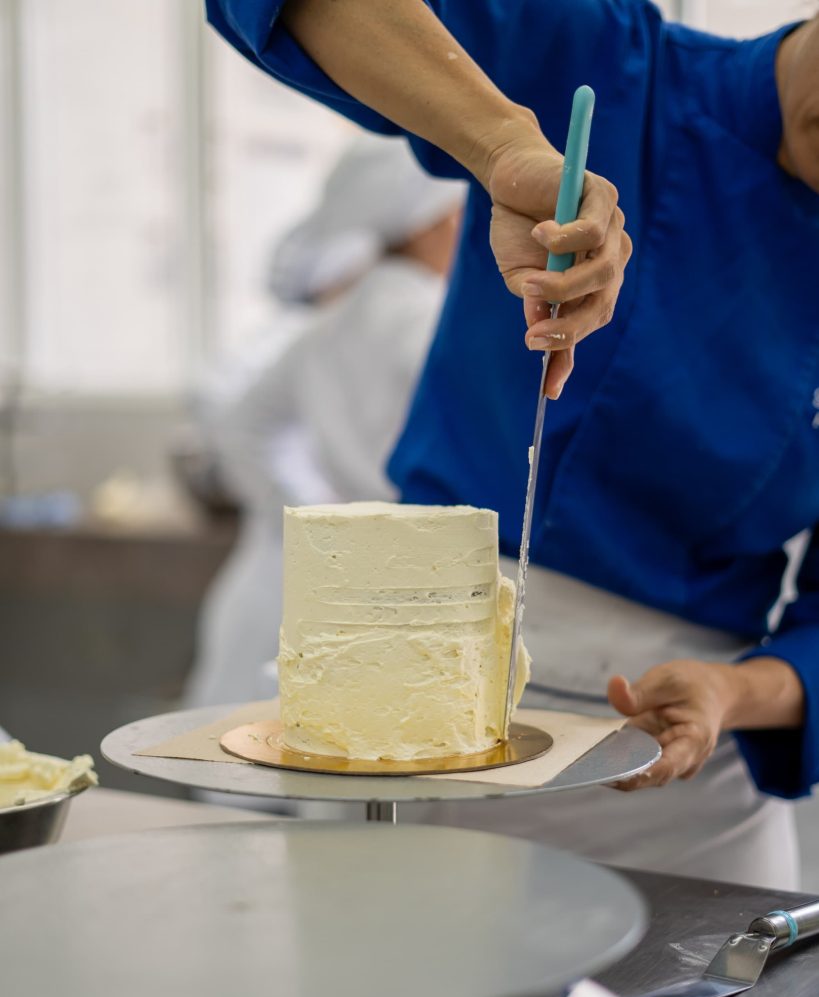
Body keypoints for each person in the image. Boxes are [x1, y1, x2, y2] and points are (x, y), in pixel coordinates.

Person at [204, 0, 819, 886]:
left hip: (688, 782)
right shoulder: (606, 62)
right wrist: (503, 149)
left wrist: (737, 692)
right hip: (427, 715)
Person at [186, 134, 464, 710]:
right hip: (402, 587)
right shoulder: (438, 325)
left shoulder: (330, 325)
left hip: (312, 587)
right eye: (461, 214)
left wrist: (308, 516)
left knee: (266, 773)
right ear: (427, 225)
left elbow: (241, 428)